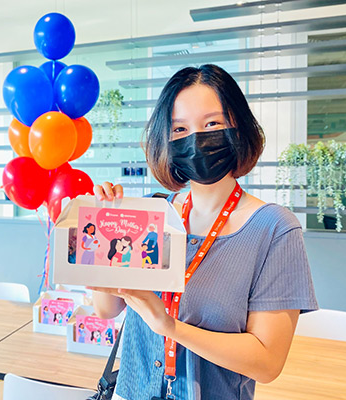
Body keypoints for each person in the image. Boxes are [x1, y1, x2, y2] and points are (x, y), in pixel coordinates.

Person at [91, 64, 317, 400]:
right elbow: (107, 309)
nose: (196, 140)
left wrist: (170, 327)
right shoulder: (154, 216)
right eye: (180, 129)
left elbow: (268, 363)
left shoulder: (274, 230)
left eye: (212, 124)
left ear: (237, 128)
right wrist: (107, 229)